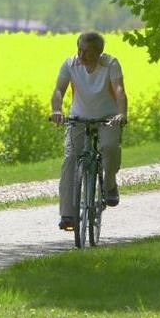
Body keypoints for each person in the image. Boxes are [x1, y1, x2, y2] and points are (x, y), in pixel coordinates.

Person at [50, 31, 128, 230]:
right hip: (78, 118)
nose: (82, 56)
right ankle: (68, 215)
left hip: (107, 118)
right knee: (70, 160)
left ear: (99, 52)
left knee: (109, 147)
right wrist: (57, 110)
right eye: (80, 50)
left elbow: (119, 91)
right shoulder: (70, 63)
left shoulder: (110, 64)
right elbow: (59, 90)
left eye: (88, 52)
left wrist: (121, 114)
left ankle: (109, 185)